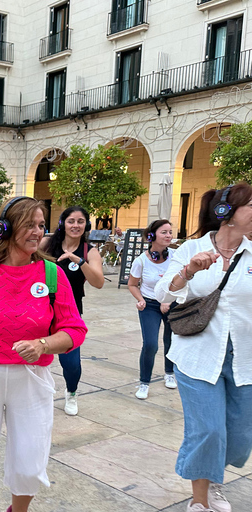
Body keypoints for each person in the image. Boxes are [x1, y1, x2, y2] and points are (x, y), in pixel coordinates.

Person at [0, 197, 87, 512]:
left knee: (29, 463)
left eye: (41, 225)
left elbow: (75, 330)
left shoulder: (52, 275)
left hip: (31, 377)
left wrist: (43, 345)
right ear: (6, 228)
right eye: (30, 225)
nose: (38, 232)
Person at [154, 184, 252, 512]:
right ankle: (200, 500)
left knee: (238, 434)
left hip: (245, 359)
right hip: (197, 355)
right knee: (208, 428)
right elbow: (162, 294)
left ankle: (214, 483)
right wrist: (188, 271)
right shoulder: (190, 249)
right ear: (226, 213)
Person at [40, 206, 103, 416]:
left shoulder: (89, 251)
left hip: (69, 314)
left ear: (87, 225)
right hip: (40, 309)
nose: (75, 225)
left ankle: (72, 392)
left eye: (80, 221)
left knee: (72, 363)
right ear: (62, 223)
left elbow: (98, 282)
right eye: (71, 221)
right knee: (34, 356)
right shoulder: (47, 245)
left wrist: (80, 261)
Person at [128, 219, 177, 400]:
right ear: (151, 236)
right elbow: (132, 285)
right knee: (150, 344)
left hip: (172, 303)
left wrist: (168, 299)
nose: (169, 236)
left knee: (171, 340)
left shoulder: (176, 256)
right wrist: (140, 300)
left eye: (170, 232)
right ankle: (144, 382)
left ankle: (169, 373)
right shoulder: (141, 260)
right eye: (164, 232)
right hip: (149, 304)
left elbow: (182, 280)